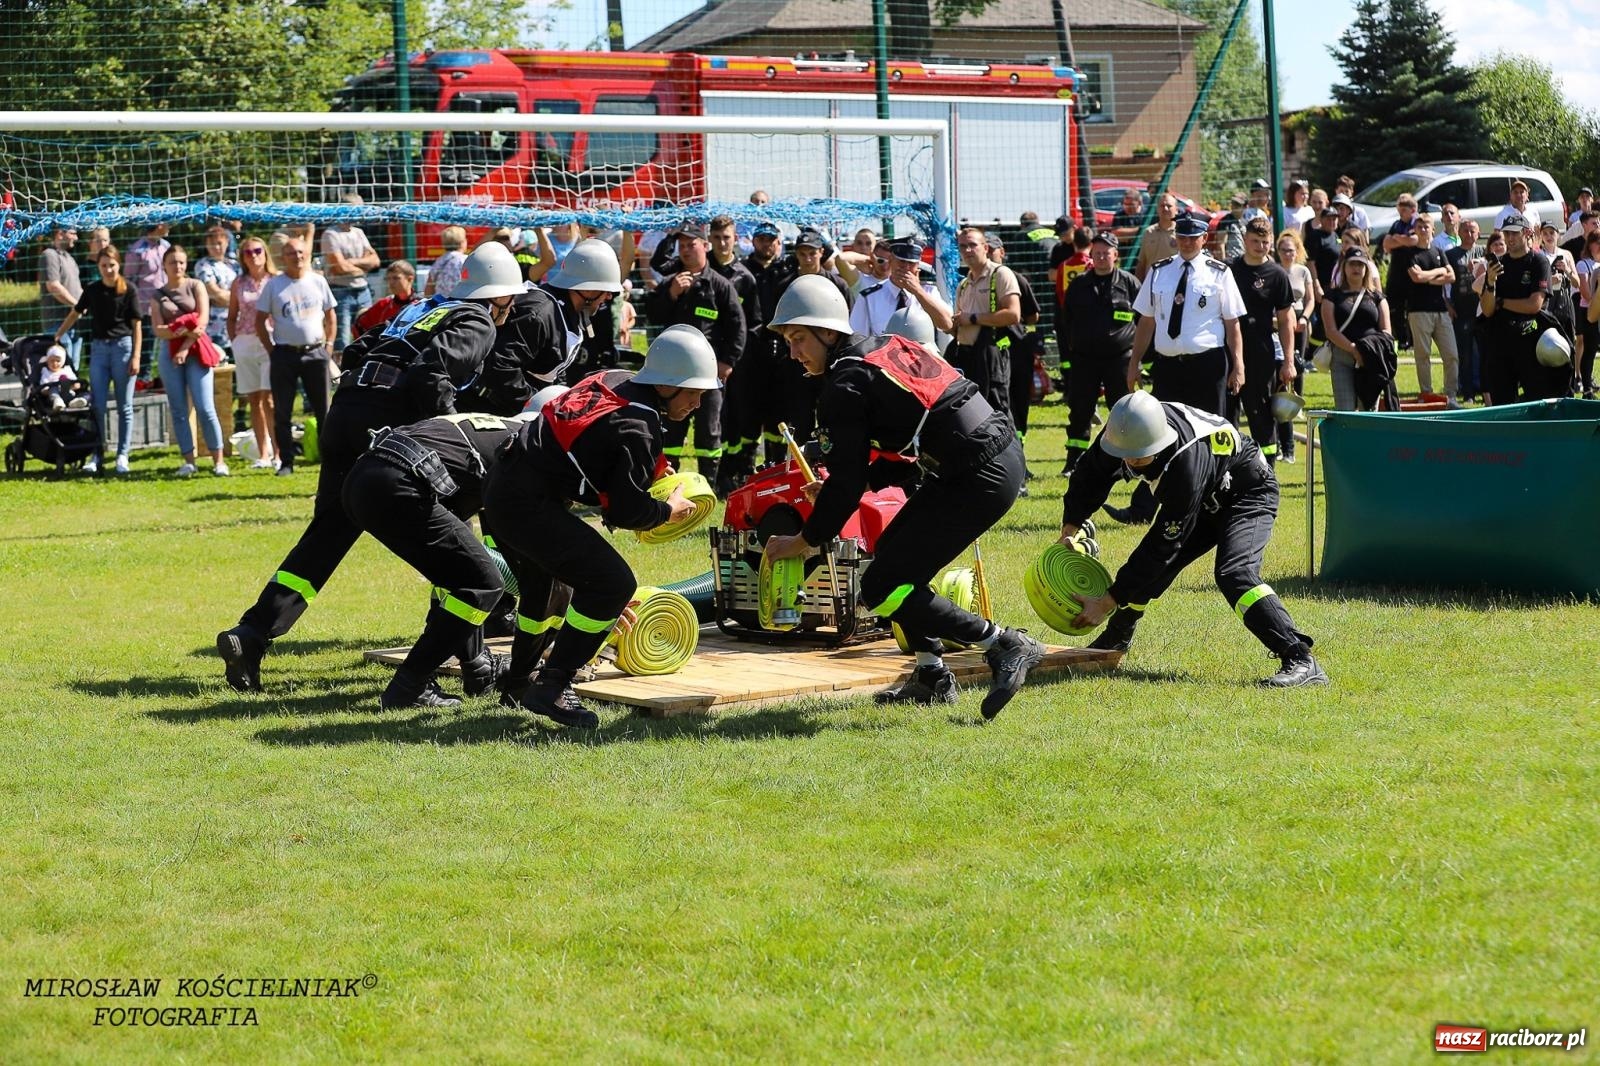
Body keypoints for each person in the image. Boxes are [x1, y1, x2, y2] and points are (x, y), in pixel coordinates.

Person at [216, 242, 525, 692]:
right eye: (510, 298)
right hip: (388, 430)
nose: (511, 307)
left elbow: (359, 348)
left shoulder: (423, 307)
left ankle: (253, 634)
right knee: (453, 540)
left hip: (346, 416)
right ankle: (461, 665)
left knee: (327, 536)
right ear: (498, 297)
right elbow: (428, 375)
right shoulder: (476, 320)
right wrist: (445, 430)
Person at [763, 276, 1046, 721]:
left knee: (881, 586)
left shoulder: (843, 385)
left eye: (799, 339)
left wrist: (806, 539)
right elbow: (905, 451)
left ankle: (1005, 644)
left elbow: (852, 480)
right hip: (981, 459)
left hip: (977, 472)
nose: (794, 353)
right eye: (788, 341)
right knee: (894, 561)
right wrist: (843, 488)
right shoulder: (877, 349)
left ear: (829, 332)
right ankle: (931, 676)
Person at [481, 327, 718, 728]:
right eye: (692, 391)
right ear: (665, 385)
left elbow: (595, 440)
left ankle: (519, 682)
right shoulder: (638, 426)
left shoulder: (614, 378)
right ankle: (553, 685)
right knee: (612, 584)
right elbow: (626, 511)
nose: (698, 402)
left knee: (546, 588)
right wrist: (666, 510)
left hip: (503, 484)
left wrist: (651, 469)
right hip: (528, 503)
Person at [1058, 391, 1328, 687]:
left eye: (1140, 455)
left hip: (1247, 493)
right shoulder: (1123, 431)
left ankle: (1300, 657)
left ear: (1158, 441)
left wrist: (1106, 601)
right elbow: (1088, 477)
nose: (1132, 462)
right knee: (1149, 574)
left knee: (1235, 574)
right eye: (1125, 456)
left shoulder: (1184, 464)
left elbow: (1161, 546)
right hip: (1205, 494)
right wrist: (1068, 531)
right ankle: (1116, 639)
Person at [342, 408, 529, 709]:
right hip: (399, 482)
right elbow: (530, 559)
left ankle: (477, 667)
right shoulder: (528, 448)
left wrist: (474, 661)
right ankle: (409, 685)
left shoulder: (489, 430)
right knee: (483, 582)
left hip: (365, 476)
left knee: (462, 574)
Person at [1105, 211, 1243, 525]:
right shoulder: (1159, 272)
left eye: (1193, 237)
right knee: (1155, 433)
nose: (1186, 242)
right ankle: (1142, 508)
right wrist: (1134, 362)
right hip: (1168, 366)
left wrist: (1239, 366)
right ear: (1175, 238)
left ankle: (1215, 502)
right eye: (1182, 236)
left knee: (1211, 435)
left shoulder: (1219, 273)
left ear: (1204, 238)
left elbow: (1233, 323)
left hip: (1208, 364)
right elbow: (1146, 321)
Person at [470, 236, 624, 416]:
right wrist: (534, 406)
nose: (608, 297)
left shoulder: (565, 312)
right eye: (606, 291)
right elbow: (501, 365)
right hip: (491, 410)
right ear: (588, 289)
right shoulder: (539, 313)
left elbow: (554, 369)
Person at [645, 221, 745, 487]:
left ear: (704, 246)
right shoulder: (671, 282)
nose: (686, 250)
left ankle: (707, 485)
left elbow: (738, 326)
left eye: (692, 245)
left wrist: (727, 362)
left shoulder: (720, 285)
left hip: (708, 373)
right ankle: (669, 484)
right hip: (674, 374)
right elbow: (653, 314)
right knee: (673, 428)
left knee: (709, 431)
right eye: (682, 246)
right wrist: (671, 294)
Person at [52, 246, 141, 475]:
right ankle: (97, 454)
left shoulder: (128, 290)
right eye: (103, 266)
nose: (108, 269)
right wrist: (58, 334)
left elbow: (137, 325)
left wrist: (136, 357)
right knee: (97, 406)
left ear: (118, 264)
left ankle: (123, 454)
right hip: (99, 350)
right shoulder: (92, 290)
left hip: (123, 348)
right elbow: (75, 312)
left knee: (125, 405)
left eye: (112, 265)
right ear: (98, 267)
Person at [1057, 230, 1137, 474]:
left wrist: (1141, 359)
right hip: (1085, 359)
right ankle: (1075, 461)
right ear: (1092, 255)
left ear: (1116, 255)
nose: (1101, 258)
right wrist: (1069, 354)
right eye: (1097, 253)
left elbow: (1146, 319)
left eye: (1107, 253)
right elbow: (1064, 321)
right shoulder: (1079, 285)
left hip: (1120, 359)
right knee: (1080, 410)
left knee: (1122, 411)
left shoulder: (1129, 283)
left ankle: (1125, 463)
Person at [256, 238, 336, 476]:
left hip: (315, 353)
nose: (297, 257)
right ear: (283, 257)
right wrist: (271, 349)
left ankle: (329, 460)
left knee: (324, 409)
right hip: (284, 354)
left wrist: (329, 346)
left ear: (307, 254)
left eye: (300, 252)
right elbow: (259, 321)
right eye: (291, 253)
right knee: (283, 411)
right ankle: (287, 462)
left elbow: (331, 315)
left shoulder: (318, 281)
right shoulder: (274, 285)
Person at [149, 245, 229, 477]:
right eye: (173, 262)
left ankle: (218, 460)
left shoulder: (196, 286)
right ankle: (188, 461)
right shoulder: (158, 295)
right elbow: (158, 330)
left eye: (182, 262)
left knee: (205, 407)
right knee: (179, 409)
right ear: (164, 265)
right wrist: (183, 329)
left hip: (197, 352)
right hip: (169, 355)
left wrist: (182, 344)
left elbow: (201, 322)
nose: (178, 266)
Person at [1228, 217, 1296, 466]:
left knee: (1262, 416)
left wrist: (1289, 361)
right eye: (1255, 241)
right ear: (1245, 240)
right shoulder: (1230, 270)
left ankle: (1268, 473)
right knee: (1226, 414)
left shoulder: (1277, 275)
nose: (1260, 246)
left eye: (1265, 242)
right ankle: (1226, 471)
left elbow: (1287, 320)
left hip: (1261, 353)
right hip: (1227, 352)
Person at [1479, 214, 1562, 404]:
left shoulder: (1538, 262)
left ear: (1527, 233)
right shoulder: (1498, 264)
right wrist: (1490, 282)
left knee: (1536, 400)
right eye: (1506, 233)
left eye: (1514, 233)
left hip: (1530, 339)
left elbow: (1534, 305)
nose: (1509, 238)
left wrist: (1502, 302)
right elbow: (1487, 310)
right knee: (1502, 402)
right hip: (1501, 341)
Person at [951, 225, 1021, 418]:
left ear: (985, 248)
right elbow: (959, 323)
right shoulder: (963, 285)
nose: (967, 250)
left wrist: (973, 318)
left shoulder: (1000, 274)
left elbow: (1013, 314)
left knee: (997, 412)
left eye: (972, 245)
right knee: (970, 414)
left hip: (991, 355)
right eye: (962, 246)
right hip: (966, 357)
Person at [987, 232, 1042, 479]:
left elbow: (1032, 315)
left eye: (992, 249)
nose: (988, 254)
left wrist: (1021, 336)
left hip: (1016, 353)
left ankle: (1020, 460)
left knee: (1018, 406)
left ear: (1002, 252)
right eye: (984, 249)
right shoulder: (972, 281)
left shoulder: (1015, 279)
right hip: (987, 353)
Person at [227, 236, 280, 469]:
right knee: (254, 399)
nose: (254, 255)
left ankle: (279, 453)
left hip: (270, 340)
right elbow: (232, 315)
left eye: (258, 250)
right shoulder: (239, 283)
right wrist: (235, 340)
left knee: (270, 399)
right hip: (245, 342)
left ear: (265, 253)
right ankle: (263, 454)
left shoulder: (276, 280)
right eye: (248, 252)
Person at [1321, 248, 1392, 411]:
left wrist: (1369, 352)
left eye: (1360, 265)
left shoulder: (1377, 297)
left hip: (1371, 358)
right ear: (1344, 267)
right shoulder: (1332, 296)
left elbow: (1386, 331)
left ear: (1367, 268)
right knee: (1345, 410)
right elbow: (1330, 330)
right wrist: (1354, 350)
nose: (1356, 268)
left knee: (1369, 411)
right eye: (1352, 264)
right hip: (1342, 357)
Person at [1405, 213, 1460, 405]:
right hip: (1418, 311)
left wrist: (1429, 276)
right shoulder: (1410, 254)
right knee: (1423, 355)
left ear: (1432, 229)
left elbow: (1451, 276)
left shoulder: (1438, 251)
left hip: (1441, 311)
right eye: (1419, 227)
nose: (1423, 230)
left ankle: (1451, 395)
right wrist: (1439, 272)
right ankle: (1426, 394)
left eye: (1426, 226)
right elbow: (1416, 278)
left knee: (1451, 354)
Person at [1273, 230, 1315, 461]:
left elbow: (1309, 299)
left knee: (1298, 362)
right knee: (1284, 365)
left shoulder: (1303, 270)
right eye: (1284, 250)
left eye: (1291, 250)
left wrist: (1305, 318)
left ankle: (1297, 402)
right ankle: (1287, 404)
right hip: (1279, 320)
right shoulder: (1275, 270)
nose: (1288, 254)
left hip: (1300, 319)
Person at [320, 200, 381, 352]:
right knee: (342, 341)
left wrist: (352, 262)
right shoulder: (330, 234)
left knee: (368, 334)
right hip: (341, 292)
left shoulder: (359, 233)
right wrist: (364, 266)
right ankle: (341, 373)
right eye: (356, 209)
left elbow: (375, 260)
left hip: (363, 291)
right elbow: (338, 268)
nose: (360, 213)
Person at [123, 222, 170, 382]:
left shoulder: (166, 246)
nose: (169, 227)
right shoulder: (137, 250)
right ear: (158, 225)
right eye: (167, 223)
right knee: (146, 349)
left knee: (163, 347)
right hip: (145, 308)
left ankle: (160, 379)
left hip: (166, 306)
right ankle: (142, 382)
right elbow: (129, 280)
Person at [1445, 220, 1485, 403]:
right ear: (1459, 233)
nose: (1469, 234)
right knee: (1465, 353)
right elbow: (1445, 284)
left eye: (1473, 231)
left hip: (1482, 309)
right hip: (1461, 311)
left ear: (1478, 233)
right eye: (1466, 231)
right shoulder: (1451, 254)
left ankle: (1485, 391)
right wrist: (1448, 305)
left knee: (1484, 353)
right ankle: (1468, 392)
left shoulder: (1484, 252)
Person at [39, 226, 82, 369]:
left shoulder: (70, 259)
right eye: (72, 233)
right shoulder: (49, 255)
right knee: (60, 369)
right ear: (59, 234)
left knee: (72, 369)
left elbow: (77, 288)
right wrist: (77, 306)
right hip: (56, 323)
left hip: (75, 323)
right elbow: (53, 286)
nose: (76, 238)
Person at [1381, 194, 1421, 349]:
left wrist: (1397, 239)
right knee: (1395, 307)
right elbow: (1386, 244)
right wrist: (1402, 239)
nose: (1401, 213)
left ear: (1413, 209)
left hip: (1412, 268)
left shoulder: (1417, 223)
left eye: (1404, 210)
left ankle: (1412, 340)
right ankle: (1401, 339)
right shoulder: (1397, 224)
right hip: (1397, 271)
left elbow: (1414, 240)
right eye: (1399, 210)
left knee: (1412, 307)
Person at [352, 260, 419, 338]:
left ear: (410, 279)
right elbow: (359, 326)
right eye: (388, 279)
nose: (391, 282)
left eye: (396, 278)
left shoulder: (421, 305)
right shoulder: (383, 305)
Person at [1576, 230, 1600, 397]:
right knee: (1590, 350)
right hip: (1589, 311)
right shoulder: (1583, 264)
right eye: (1597, 242)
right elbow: (1586, 294)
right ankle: (1587, 389)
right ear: (1590, 244)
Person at [1134, 193, 1181, 280]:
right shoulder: (1148, 232)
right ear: (1157, 209)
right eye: (1162, 206)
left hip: (1174, 285)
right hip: (1151, 285)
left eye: (1169, 206)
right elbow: (1142, 263)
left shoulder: (1181, 234)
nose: (1165, 209)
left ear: (1176, 210)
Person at [35, 344, 87, 410]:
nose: (55, 363)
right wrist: (51, 389)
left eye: (58, 361)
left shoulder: (67, 370)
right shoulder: (46, 372)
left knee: (87, 394)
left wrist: (71, 386)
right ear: (47, 361)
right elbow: (43, 389)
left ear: (63, 361)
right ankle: (57, 401)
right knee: (53, 388)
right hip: (53, 396)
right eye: (52, 361)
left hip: (69, 393)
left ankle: (77, 402)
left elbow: (77, 384)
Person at [424, 226, 468, 299]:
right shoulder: (465, 260)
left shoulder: (438, 262)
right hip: (461, 305)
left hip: (441, 305)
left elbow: (428, 290)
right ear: (462, 242)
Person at [1217, 193, 1247, 262]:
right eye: (1233, 203)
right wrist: (1224, 263)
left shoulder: (1245, 222)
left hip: (1243, 261)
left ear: (1245, 207)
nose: (1234, 206)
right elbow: (1220, 244)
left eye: (1238, 204)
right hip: (1231, 261)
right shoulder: (1225, 221)